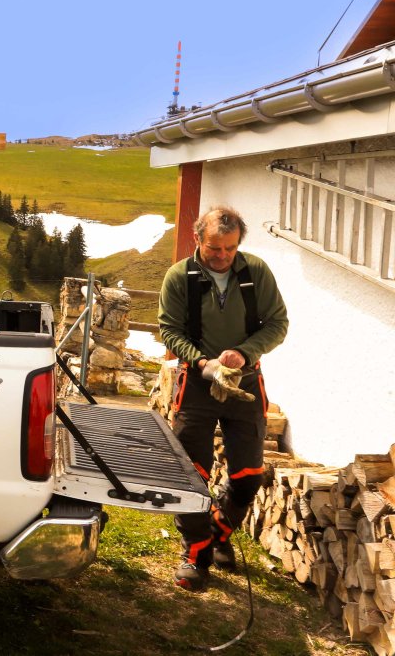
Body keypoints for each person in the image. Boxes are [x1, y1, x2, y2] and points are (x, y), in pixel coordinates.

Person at [158, 206, 288, 592]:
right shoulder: (180, 277)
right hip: (198, 385)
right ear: (198, 238)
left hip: (245, 385)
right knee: (190, 475)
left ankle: (217, 531)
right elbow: (169, 330)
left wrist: (244, 353)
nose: (222, 256)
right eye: (215, 248)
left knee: (247, 478)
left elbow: (277, 323)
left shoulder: (255, 273)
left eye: (230, 249)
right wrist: (202, 362)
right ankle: (196, 554)